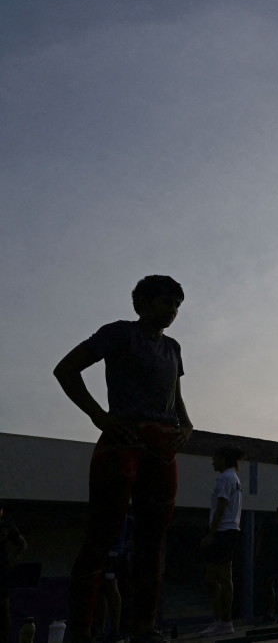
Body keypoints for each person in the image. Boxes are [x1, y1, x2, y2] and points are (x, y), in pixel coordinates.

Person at [55, 275, 192, 643]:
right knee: (101, 537)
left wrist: (187, 426)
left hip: (163, 448)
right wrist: (99, 416)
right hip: (123, 440)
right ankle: (80, 633)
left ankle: (143, 629)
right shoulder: (118, 333)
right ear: (142, 303)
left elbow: (174, 398)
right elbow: (65, 369)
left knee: (152, 543)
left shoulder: (174, 348)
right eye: (166, 302)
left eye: (178, 304)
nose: (173, 310)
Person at [198, 445, 245, 637]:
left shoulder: (226, 477)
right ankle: (221, 620)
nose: (212, 462)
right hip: (225, 532)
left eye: (215, 458)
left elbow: (221, 507)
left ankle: (224, 621)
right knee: (212, 578)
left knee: (223, 578)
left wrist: (211, 534)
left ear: (224, 460)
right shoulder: (231, 477)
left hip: (224, 532)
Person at [91, 511, 134, 643]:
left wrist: (121, 552)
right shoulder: (123, 517)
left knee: (110, 590)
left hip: (113, 555)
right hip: (109, 554)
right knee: (102, 591)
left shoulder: (120, 516)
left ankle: (115, 632)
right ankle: (103, 631)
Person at [0, 501, 28, 643]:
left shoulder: (6, 527)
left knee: (4, 610)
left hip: (2, 573)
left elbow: (22, 544)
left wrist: (11, 562)